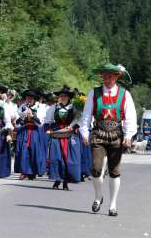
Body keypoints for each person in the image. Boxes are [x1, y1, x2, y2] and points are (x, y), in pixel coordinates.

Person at [79, 63, 137, 217]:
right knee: (96, 169)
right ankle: (98, 197)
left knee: (114, 171)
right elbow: (86, 115)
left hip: (116, 135)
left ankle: (113, 204)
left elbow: (131, 117)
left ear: (117, 77)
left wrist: (129, 135)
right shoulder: (94, 93)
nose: (108, 78)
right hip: (98, 133)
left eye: (111, 75)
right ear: (102, 77)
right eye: (105, 75)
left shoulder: (125, 94)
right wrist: (84, 132)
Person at [45, 86, 81, 190]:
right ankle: (57, 179)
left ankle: (66, 181)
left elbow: (79, 121)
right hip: (57, 134)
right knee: (56, 157)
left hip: (69, 135)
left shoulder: (74, 108)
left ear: (69, 97)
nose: (63, 97)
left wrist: (72, 126)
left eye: (65, 96)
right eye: (61, 96)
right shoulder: (54, 107)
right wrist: (48, 129)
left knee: (67, 158)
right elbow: (48, 120)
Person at [14, 89, 47, 180]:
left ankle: (33, 171)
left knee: (34, 150)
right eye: (27, 97)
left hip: (35, 131)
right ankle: (24, 171)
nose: (29, 99)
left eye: (31, 98)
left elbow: (40, 123)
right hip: (24, 130)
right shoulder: (22, 107)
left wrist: (33, 116)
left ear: (34, 99)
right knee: (23, 150)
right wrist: (23, 116)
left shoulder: (40, 107)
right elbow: (17, 122)